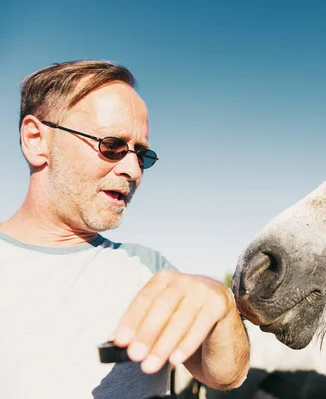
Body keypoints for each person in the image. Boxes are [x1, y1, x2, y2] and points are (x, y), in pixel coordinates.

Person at [0, 60, 250, 398]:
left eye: (142, 155)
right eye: (112, 146)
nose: (133, 169)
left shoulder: (150, 271)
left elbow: (226, 376)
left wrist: (221, 305)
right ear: (35, 139)